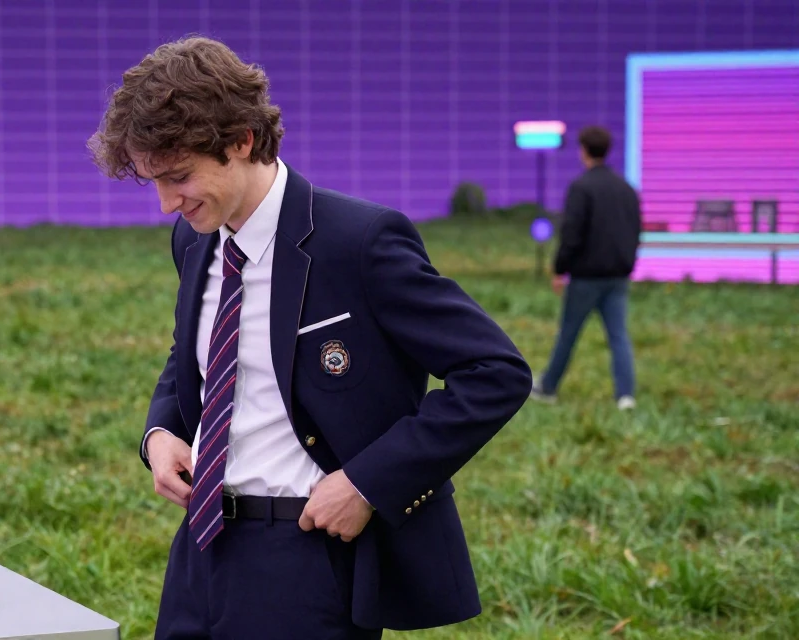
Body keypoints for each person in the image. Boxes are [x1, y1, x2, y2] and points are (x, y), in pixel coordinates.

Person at [88, 36, 532, 638]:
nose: (167, 202)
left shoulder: (361, 242)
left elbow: (496, 372)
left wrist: (368, 483)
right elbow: (197, 353)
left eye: (180, 177)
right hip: (199, 547)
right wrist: (162, 429)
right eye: (152, 182)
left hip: (307, 556)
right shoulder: (193, 239)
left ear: (241, 140)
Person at [532, 126, 642, 410]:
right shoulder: (626, 189)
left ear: (583, 150)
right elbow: (635, 229)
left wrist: (560, 268)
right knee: (618, 335)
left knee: (568, 332)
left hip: (586, 277)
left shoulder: (581, 188)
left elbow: (572, 233)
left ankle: (548, 386)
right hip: (618, 275)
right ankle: (625, 395)